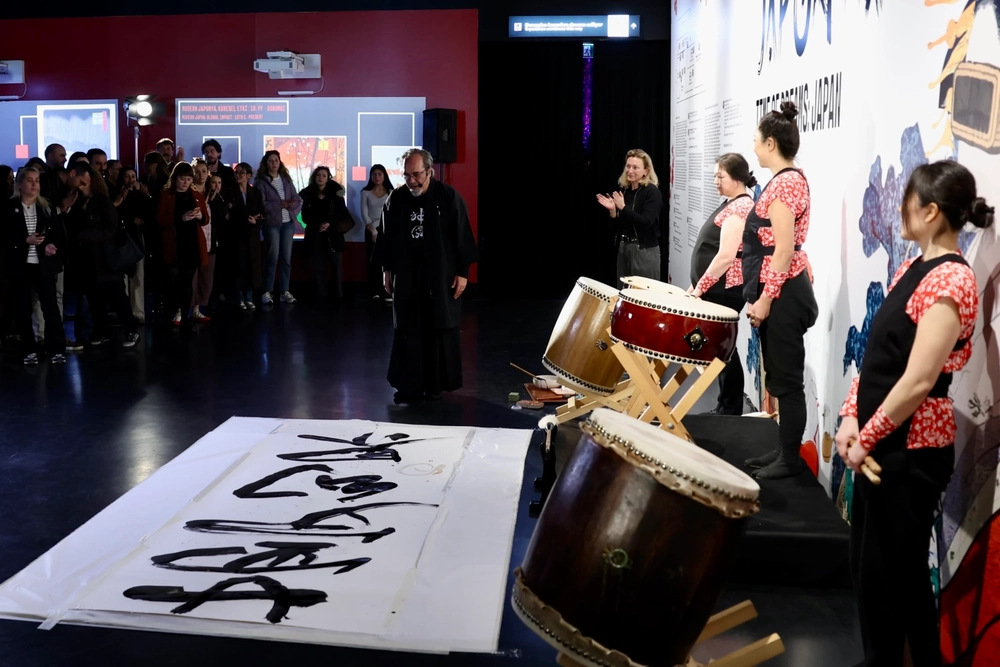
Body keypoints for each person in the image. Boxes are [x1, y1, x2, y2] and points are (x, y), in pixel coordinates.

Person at [835, 161, 991, 667]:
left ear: (931, 211)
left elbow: (919, 380)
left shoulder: (952, 280)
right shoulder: (913, 267)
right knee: (871, 573)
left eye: (909, 199)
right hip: (881, 444)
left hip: (910, 453)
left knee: (897, 580)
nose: (900, 208)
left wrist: (867, 436)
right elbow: (877, 355)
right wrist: (851, 417)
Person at [739, 101, 818, 479]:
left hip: (784, 294)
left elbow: (784, 249)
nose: (753, 147)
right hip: (782, 288)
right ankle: (784, 450)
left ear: (770, 143)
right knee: (781, 377)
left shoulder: (786, 183)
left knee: (787, 382)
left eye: (756, 140)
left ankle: (789, 460)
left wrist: (766, 299)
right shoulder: (785, 180)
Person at [379, 149, 479, 402]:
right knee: (407, 328)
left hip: (440, 275)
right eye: (406, 175)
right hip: (407, 275)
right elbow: (386, 237)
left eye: (416, 175)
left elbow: (462, 234)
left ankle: (435, 385)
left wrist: (463, 273)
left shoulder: (447, 196)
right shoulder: (396, 198)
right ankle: (408, 385)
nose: (411, 181)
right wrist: (386, 271)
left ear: (430, 171)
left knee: (437, 328)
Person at [689, 153, 757, 415]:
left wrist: (700, 288)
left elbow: (726, 256)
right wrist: (695, 285)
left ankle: (729, 408)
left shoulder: (740, 208)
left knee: (723, 348)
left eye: (721, 176)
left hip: (726, 290)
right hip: (717, 289)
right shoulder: (732, 203)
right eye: (715, 175)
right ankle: (726, 406)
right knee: (721, 348)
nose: (716, 181)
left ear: (738, 178)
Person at [4, 167, 67, 365]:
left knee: (51, 309)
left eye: (37, 180)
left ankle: (56, 349)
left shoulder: (47, 206)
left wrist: (51, 244)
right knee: (23, 310)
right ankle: (29, 350)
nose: (34, 184)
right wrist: (25, 240)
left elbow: (57, 232)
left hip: (43, 265)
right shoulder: (8, 207)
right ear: (20, 184)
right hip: (20, 266)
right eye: (30, 180)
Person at [596, 149, 663, 287]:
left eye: (635, 167)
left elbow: (645, 222)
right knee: (624, 292)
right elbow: (617, 227)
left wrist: (623, 208)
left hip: (643, 251)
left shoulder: (652, 192)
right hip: (624, 248)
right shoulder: (625, 191)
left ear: (646, 171)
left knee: (642, 294)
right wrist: (613, 211)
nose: (630, 171)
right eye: (628, 166)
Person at [255, 150, 302, 306]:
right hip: (271, 224)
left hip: (288, 223)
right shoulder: (261, 182)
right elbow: (262, 204)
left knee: (286, 258)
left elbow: (296, 199)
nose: (274, 163)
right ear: (266, 163)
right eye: (271, 160)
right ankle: (266, 291)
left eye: (276, 160)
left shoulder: (286, 179)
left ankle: (284, 291)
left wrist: (290, 205)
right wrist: (279, 204)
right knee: (272, 257)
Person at [300, 166, 349, 301]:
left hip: (333, 234)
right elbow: (305, 216)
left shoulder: (336, 195)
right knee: (318, 265)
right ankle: (321, 295)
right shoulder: (308, 194)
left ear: (328, 178)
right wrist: (318, 225)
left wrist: (329, 223)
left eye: (323, 175)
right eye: (318, 175)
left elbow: (342, 214)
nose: (320, 178)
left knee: (336, 265)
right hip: (315, 234)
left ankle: (338, 295)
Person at [362, 164, 393, 301]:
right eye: (374, 174)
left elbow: (392, 213)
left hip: (387, 229)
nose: (377, 177)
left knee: (386, 260)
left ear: (384, 175)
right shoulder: (365, 192)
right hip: (371, 230)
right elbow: (364, 214)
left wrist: (381, 229)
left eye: (379, 174)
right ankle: (374, 290)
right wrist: (373, 231)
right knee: (372, 261)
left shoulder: (391, 191)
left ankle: (387, 290)